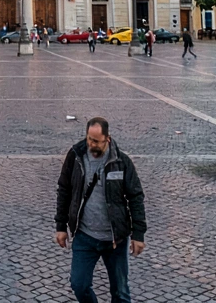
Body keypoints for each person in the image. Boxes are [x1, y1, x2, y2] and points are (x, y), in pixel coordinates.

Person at [54, 117, 146, 303]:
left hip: (115, 239)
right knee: (78, 284)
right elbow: (64, 189)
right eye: (89, 139)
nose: (91, 144)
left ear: (107, 139)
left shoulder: (121, 161)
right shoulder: (75, 156)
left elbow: (136, 197)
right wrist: (61, 226)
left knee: (120, 293)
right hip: (85, 235)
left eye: (96, 141)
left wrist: (138, 234)